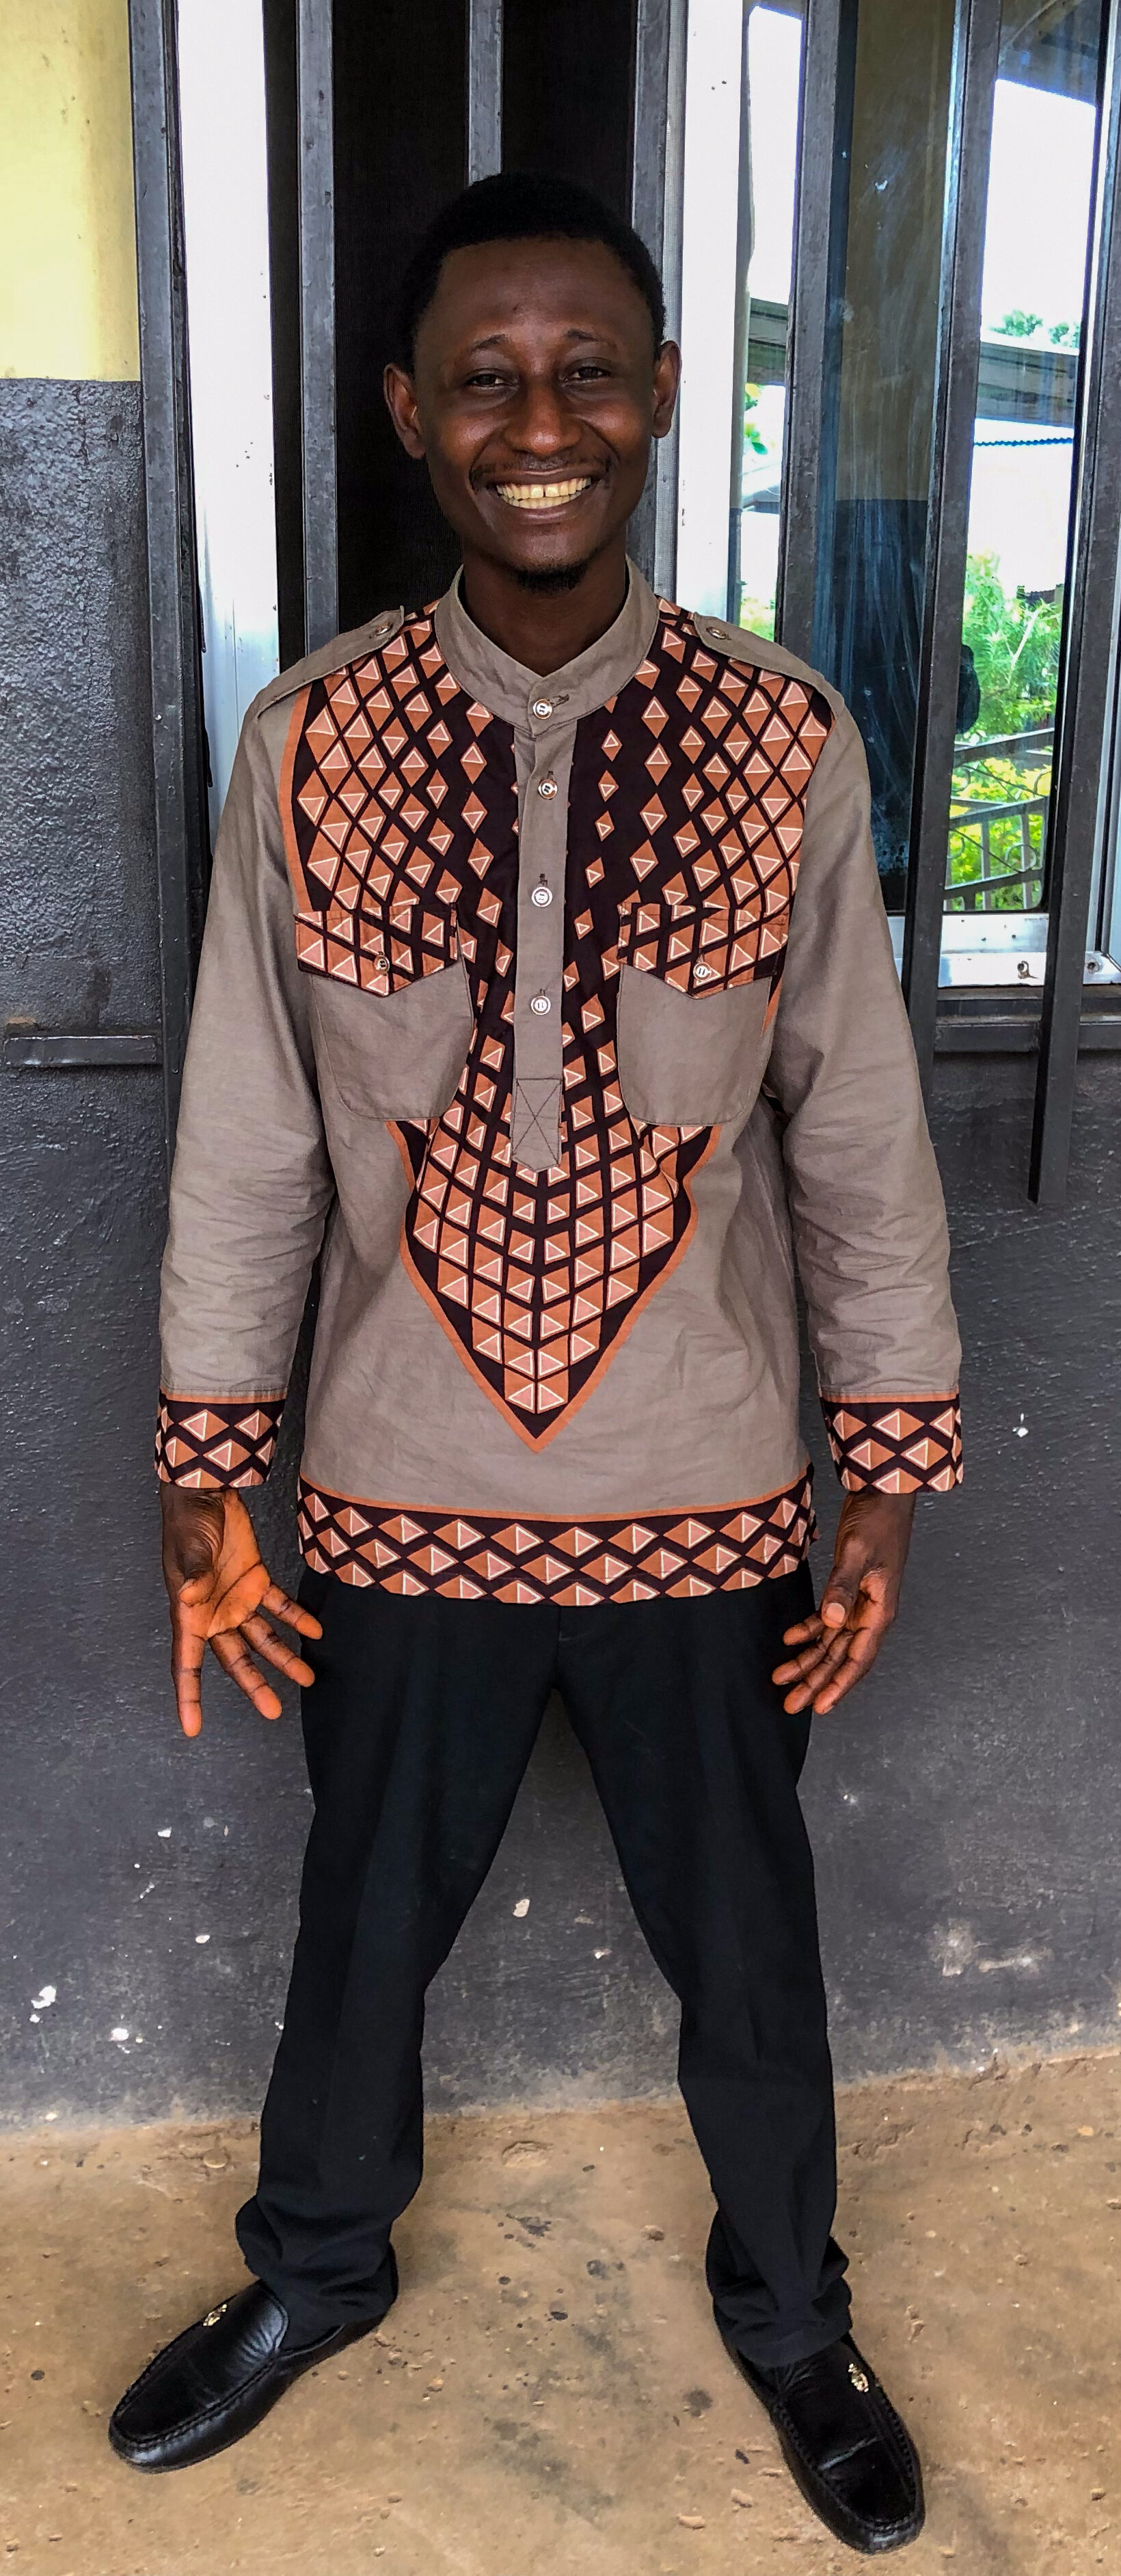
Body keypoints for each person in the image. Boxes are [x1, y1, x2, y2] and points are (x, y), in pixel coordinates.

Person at [109, 172, 961, 2552]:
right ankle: (317, 2264)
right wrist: (207, 1464)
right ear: (410, 414)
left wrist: (885, 1467)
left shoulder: (784, 741)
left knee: (752, 1947)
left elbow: (859, 1131)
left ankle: (793, 2312)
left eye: (589, 367)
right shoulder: (309, 742)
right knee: (361, 1922)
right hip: (400, 1489)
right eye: (485, 376)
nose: (541, 418)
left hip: (712, 1487)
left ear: (666, 395)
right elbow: (251, 1132)